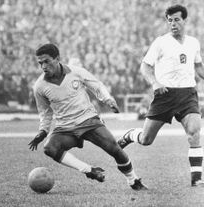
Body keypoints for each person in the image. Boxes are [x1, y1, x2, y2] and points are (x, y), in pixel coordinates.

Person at [28, 43, 147, 190]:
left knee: (115, 150)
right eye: (40, 63)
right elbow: (45, 113)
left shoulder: (77, 72)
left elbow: (96, 86)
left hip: (88, 120)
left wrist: (108, 99)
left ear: (57, 58)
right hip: (65, 127)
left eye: (46, 61)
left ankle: (133, 180)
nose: (43, 66)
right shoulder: (39, 86)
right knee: (49, 148)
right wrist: (43, 131)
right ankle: (89, 170)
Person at [117, 4, 204, 187]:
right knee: (146, 140)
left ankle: (197, 179)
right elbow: (145, 66)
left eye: (177, 20)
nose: (173, 24)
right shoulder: (160, 42)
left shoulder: (193, 43)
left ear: (185, 20)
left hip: (188, 93)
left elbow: (197, 67)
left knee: (195, 133)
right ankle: (132, 134)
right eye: (169, 20)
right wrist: (155, 83)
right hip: (165, 95)